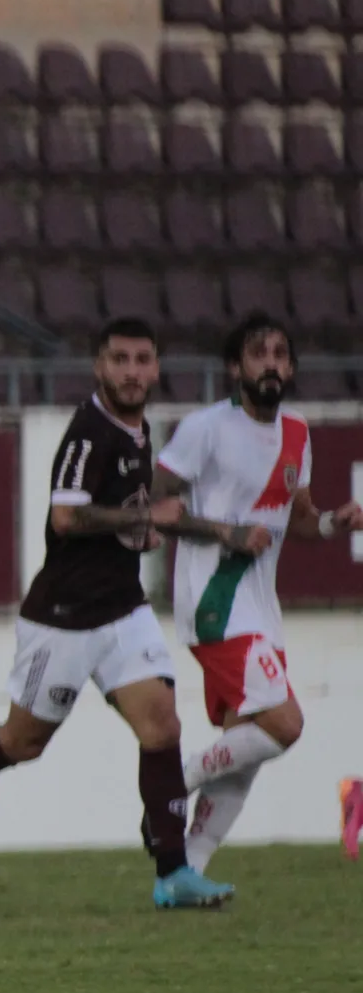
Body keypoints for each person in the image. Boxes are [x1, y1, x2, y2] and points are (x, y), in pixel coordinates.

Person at [0, 317, 232, 908]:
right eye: (120, 361)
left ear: (156, 368)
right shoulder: (90, 433)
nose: (132, 372)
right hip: (63, 618)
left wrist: (142, 531)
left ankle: (172, 873)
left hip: (121, 610)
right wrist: (143, 521)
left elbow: (122, 514)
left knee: (162, 727)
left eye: (142, 360)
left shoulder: (136, 429)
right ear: (99, 367)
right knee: (22, 742)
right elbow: (66, 517)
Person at [152, 313, 363, 874]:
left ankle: (184, 870)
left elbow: (298, 517)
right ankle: (176, 782)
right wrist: (223, 531)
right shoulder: (204, 429)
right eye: (258, 353)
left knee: (247, 748)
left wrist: (331, 524)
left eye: (280, 354)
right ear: (234, 367)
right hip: (214, 599)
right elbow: (157, 505)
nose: (271, 362)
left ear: (291, 367)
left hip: (260, 607)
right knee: (285, 725)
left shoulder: (297, 432)